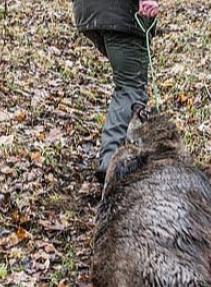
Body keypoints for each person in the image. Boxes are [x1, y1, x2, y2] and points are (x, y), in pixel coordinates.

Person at [73, 0, 159, 183]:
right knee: (130, 89)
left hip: (88, 11)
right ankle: (110, 165)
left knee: (126, 85)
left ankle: (127, 158)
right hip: (122, 13)